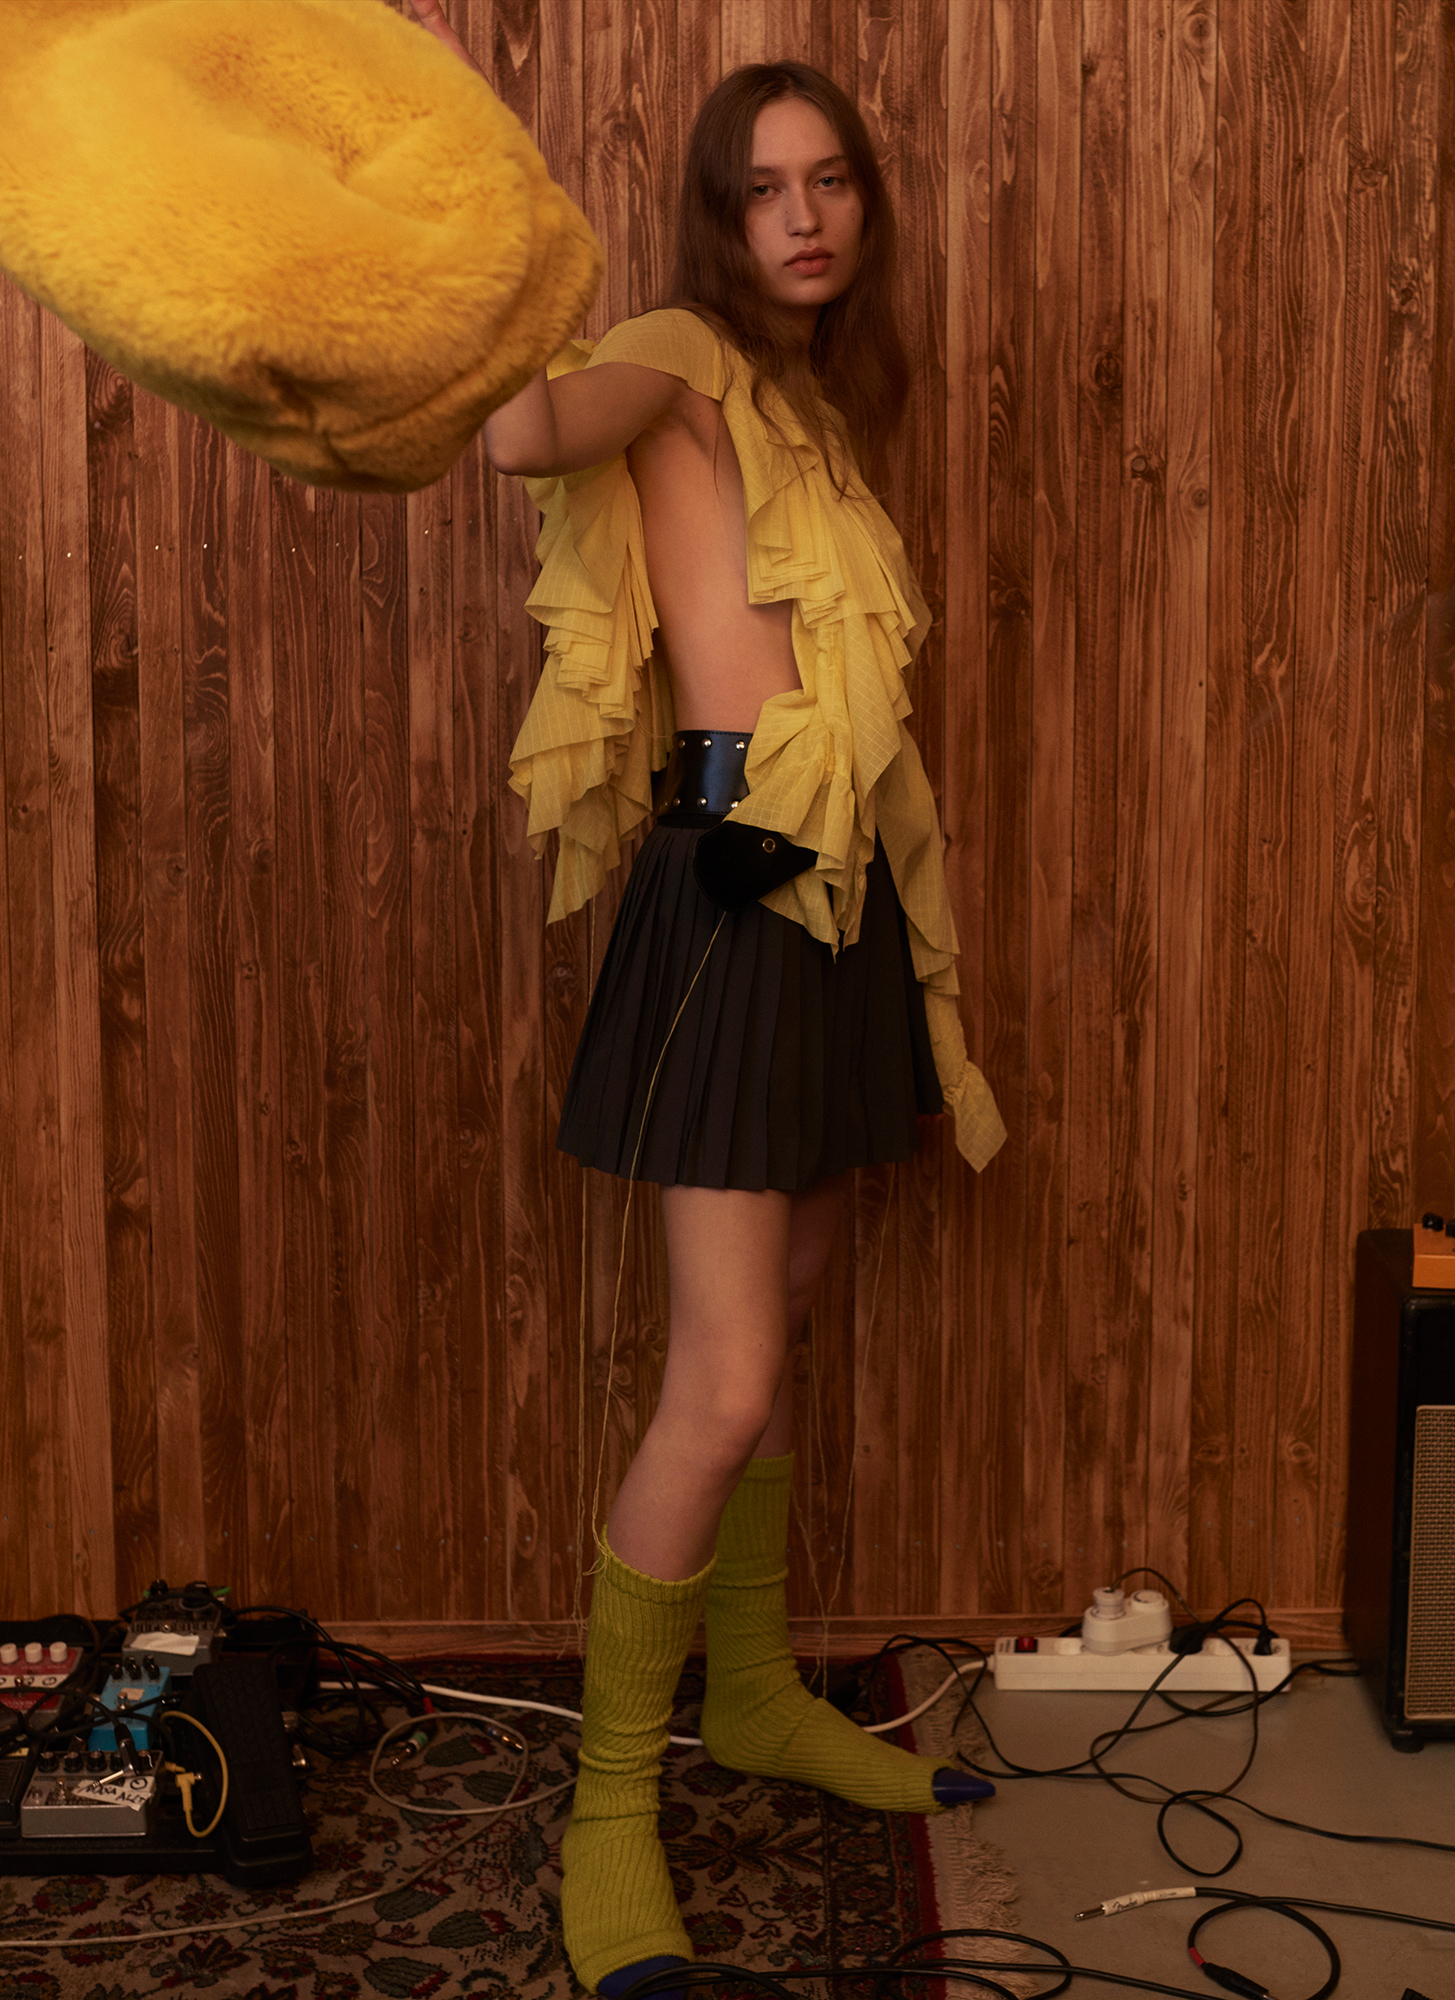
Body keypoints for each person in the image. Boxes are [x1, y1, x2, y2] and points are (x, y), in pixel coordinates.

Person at [410, 9, 1006, 1994]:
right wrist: (479, 279)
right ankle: (603, 1817)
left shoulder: (821, 398)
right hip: (727, 887)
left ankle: (747, 1694)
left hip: (831, 895)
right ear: (714, 216)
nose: (800, 214)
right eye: (761, 187)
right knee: (723, 1373)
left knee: (802, 1299)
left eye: (827, 177)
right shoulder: (670, 355)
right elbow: (514, 435)